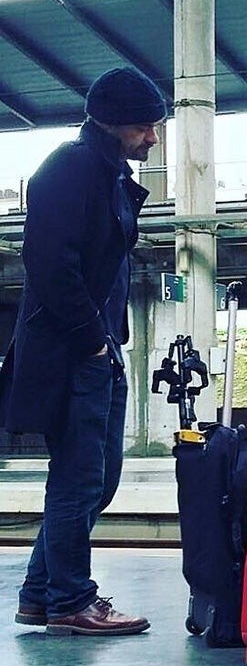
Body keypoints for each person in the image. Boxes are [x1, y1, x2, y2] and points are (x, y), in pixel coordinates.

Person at [0, 67, 167, 635]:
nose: (153, 138)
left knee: (99, 476)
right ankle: (72, 600)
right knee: (77, 477)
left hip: (97, 350)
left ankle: (40, 593)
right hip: (74, 354)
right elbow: (49, 266)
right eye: (146, 126)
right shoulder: (69, 169)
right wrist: (94, 342)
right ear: (116, 123)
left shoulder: (107, 174)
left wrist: (105, 344)